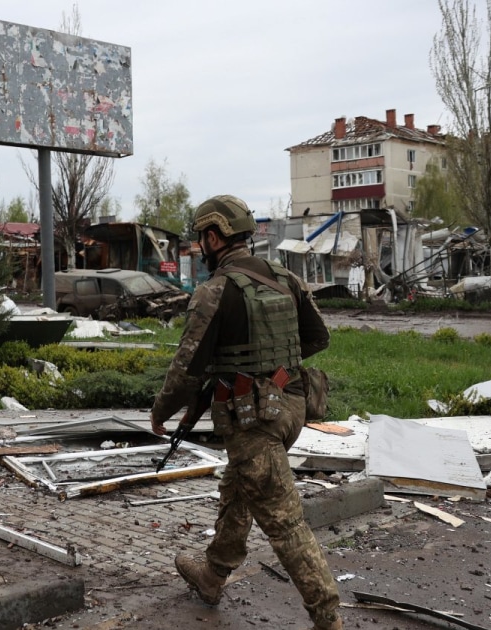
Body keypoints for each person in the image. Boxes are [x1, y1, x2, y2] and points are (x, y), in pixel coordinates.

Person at [150, 195, 341, 630]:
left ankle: (328, 616)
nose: (199, 248)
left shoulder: (214, 292)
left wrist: (161, 412)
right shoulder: (286, 277)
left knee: (284, 522)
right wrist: (270, 368)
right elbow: (318, 338)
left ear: (215, 236)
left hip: (253, 419)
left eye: (202, 238)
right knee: (238, 490)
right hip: (292, 404)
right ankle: (213, 575)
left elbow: (186, 369)